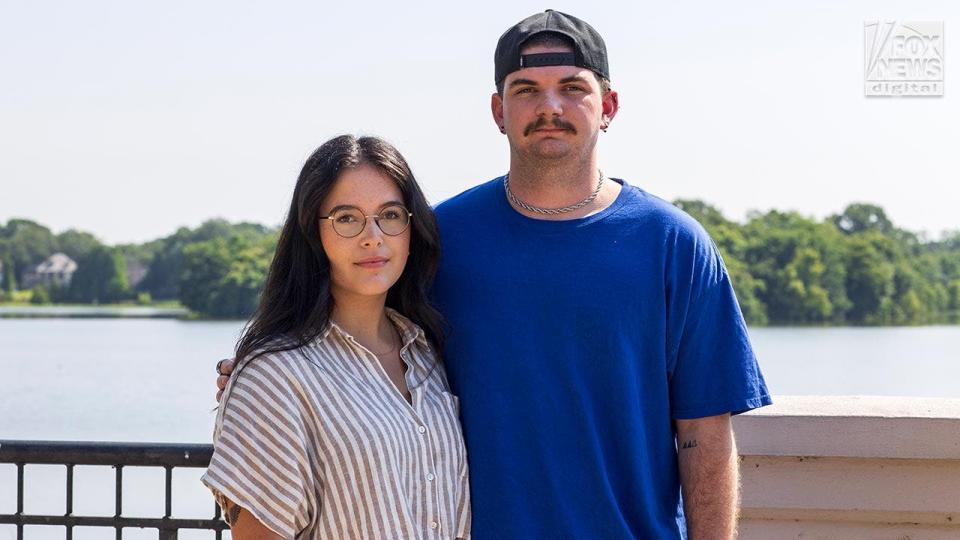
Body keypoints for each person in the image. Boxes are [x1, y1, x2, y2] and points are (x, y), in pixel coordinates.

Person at [217, 10, 770, 539]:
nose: (549, 106)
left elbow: (705, 435)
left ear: (609, 105)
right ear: (498, 111)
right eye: (525, 90)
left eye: (572, 87)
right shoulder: (439, 237)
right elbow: (355, 332)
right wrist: (260, 374)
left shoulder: (675, 244)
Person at [203, 135, 470, 540]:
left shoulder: (429, 356)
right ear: (314, 232)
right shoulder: (275, 375)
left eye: (391, 215)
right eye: (347, 218)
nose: (373, 236)